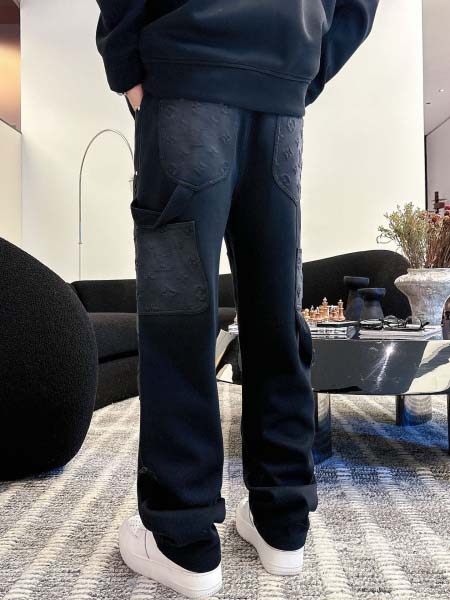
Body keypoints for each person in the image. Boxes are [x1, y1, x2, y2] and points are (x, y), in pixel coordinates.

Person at [95, 1, 379, 597]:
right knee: (277, 313)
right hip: (282, 73)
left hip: (187, 60)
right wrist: (302, 65)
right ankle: (282, 523)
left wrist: (127, 64)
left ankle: (182, 541)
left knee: (180, 318)